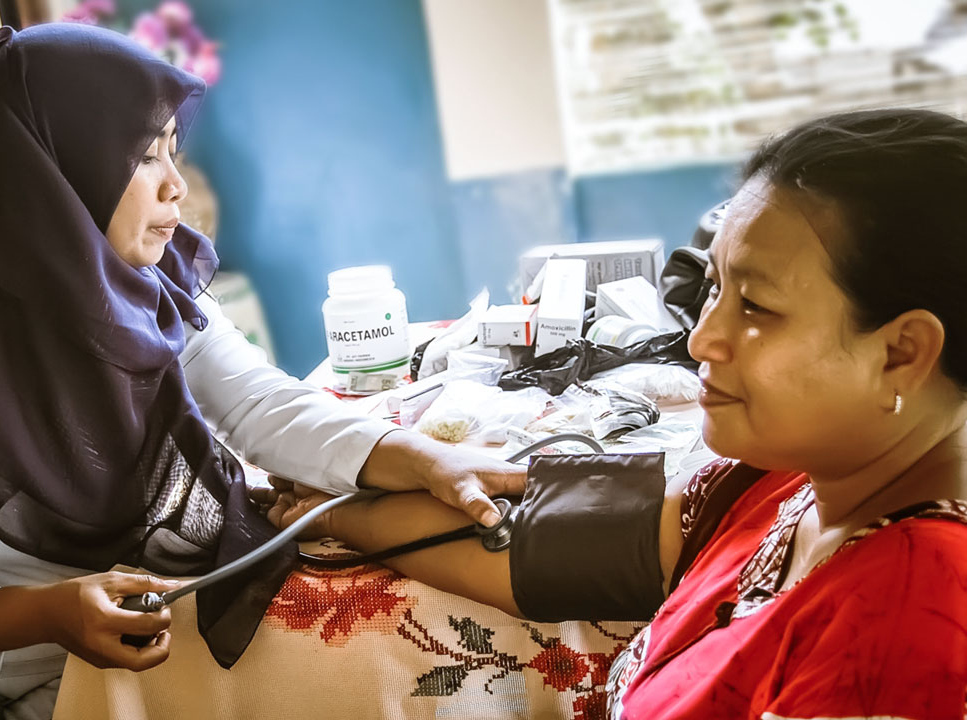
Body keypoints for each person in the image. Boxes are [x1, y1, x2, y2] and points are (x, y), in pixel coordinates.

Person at [0, 23, 522, 720]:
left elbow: (256, 402)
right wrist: (45, 613)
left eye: (172, 150)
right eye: (144, 157)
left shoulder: (139, 286)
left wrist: (418, 456)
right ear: (55, 173)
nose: (176, 186)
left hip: (151, 623)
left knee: (423, 619)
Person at [260, 108, 967, 719]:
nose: (700, 338)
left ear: (902, 353)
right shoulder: (793, 485)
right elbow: (542, 544)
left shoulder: (915, 622)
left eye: (755, 306)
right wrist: (334, 507)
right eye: (714, 286)